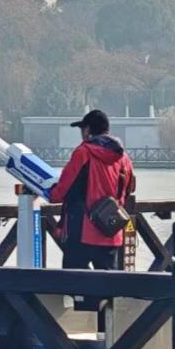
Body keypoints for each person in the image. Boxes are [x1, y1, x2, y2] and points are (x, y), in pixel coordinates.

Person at [49, 109, 135, 270]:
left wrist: (50, 194)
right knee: (107, 286)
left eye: (82, 129)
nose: (81, 133)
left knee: (74, 282)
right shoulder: (124, 159)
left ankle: (80, 297)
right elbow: (129, 189)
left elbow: (63, 189)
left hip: (82, 230)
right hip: (111, 229)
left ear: (88, 130)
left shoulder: (83, 153)